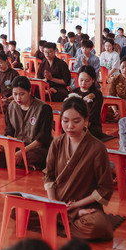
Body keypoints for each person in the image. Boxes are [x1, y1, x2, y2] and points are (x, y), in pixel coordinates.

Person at [44, 97, 115, 240]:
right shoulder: (57, 142)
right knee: (18, 209)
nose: (70, 126)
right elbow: (48, 176)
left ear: (86, 121)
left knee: (98, 226)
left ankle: (60, 219)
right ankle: (67, 217)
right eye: (65, 121)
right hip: (58, 202)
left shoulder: (97, 148)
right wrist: (53, 201)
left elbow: (105, 188)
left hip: (85, 206)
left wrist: (77, 206)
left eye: (76, 121)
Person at [0, 76, 52, 170]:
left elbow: (42, 139)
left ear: (29, 91)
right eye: (15, 94)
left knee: (40, 157)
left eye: (22, 94)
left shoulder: (43, 108)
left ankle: (12, 160)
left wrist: (22, 152)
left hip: (34, 147)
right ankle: (22, 163)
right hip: (16, 146)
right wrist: (10, 147)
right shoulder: (11, 107)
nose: (18, 98)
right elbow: (8, 132)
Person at [69, 65, 103, 139]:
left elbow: (93, 114)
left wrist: (81, 124)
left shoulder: (97, 94)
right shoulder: (73, 92)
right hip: (73, 122)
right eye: (81, 80)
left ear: (93, 80)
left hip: (90, 125)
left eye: (87, 81)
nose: (83, 83)